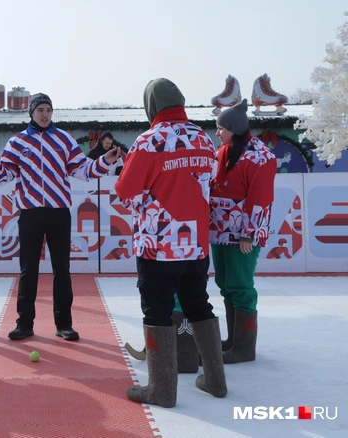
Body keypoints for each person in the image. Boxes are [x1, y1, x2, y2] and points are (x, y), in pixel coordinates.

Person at [115, 78, 226, 408]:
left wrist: (143, 204)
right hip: (195, 245)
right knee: (198, 305)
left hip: (158, 245)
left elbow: (125, 191)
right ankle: (216, 381)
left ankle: (160, 390)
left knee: (157, 311)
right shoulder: (203, 140)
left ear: (151, 104)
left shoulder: (149, 142)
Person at [0, 93, 122, 342]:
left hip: (59, 212)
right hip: (30, 213)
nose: (45, 114)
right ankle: (24, 323)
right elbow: (4, 177)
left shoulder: (64, 139)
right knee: (28, 269)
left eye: (48, 110)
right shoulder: (18, 141)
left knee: (62, 269)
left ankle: (64, 323)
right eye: (40, 110)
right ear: (31, 113)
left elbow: (82, 170)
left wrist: (105, 162)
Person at [210, 98, 277, 364]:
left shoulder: (260, 157)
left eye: (220, 128)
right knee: (225, 285)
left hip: (242, 235)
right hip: (220, 230)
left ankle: (244, 348)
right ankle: (233, 340)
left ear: (234, 128)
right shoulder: (224, 151)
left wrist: (250, 233)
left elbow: (261, 198)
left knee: (240, 286)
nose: (217, 133)